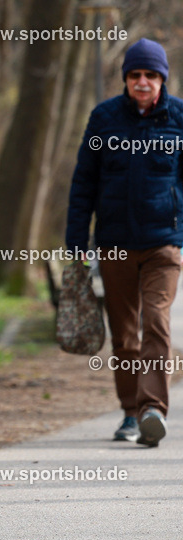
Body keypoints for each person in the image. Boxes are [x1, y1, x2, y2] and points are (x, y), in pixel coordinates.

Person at [66, 38, 183, 447]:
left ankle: (153, 408)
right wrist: (76, 240)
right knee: (125, 333)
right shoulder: (104, 118)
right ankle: (130, 413)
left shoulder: (179, 118)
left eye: (151, 75)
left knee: (157, 322)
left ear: (162, 79)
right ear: (126, 79)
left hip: (164, 244)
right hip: (114, 242)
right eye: (135, 75)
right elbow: (84, 182)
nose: (143, 82)